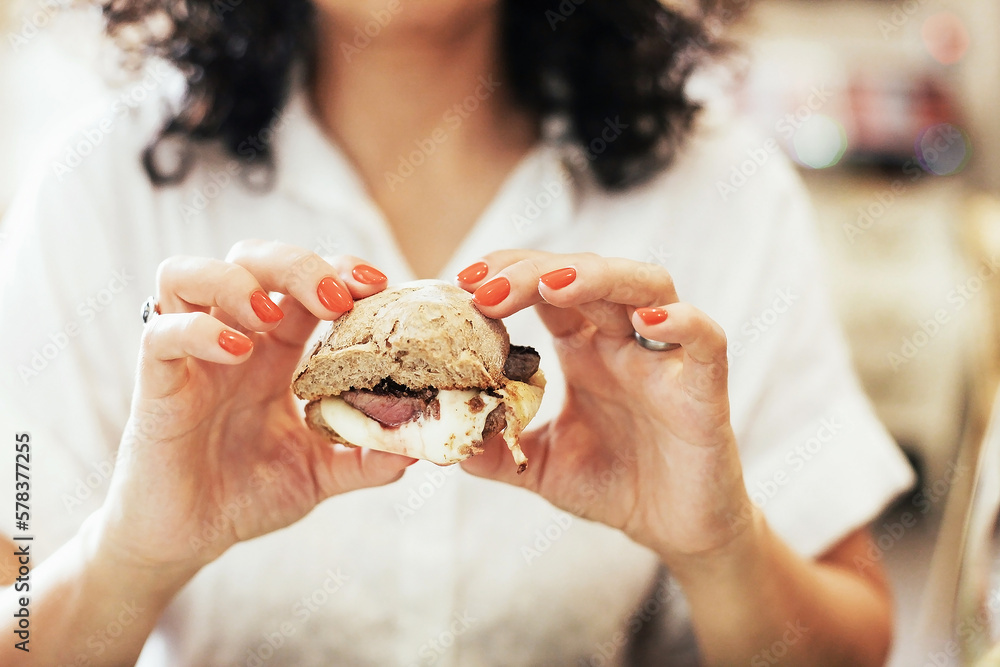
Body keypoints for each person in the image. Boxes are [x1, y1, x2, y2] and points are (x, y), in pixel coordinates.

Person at [0, 0, 916, 664]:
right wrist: (127, 559)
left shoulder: (724, 192)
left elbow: (854, 643)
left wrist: (720, 550)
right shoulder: (99, 187)